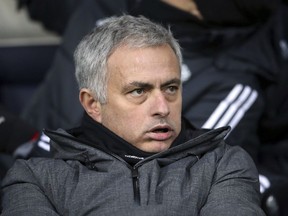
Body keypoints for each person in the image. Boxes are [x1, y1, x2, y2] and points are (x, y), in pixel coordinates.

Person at [1, 15, 264, 215]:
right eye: (139, 91)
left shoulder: (224, 165)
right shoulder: (37, 178)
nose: (162, 107)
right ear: (93, 103)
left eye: (171, 88)